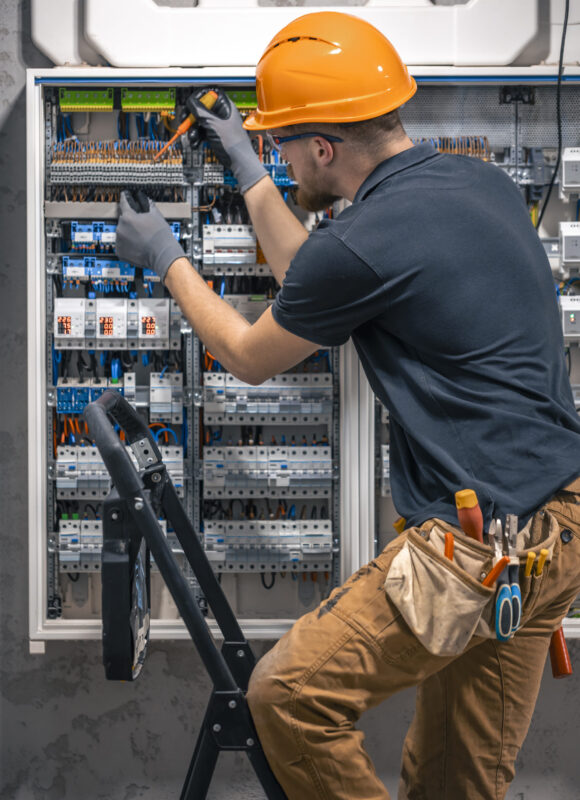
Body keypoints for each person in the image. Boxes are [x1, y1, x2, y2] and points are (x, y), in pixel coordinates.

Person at [116, 11, 580, 800]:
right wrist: (246, 164)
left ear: (324, 148)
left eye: (284, 141)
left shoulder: (362, 241)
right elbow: (320, 272)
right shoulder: (478, 182)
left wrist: (167, 260)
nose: (282, 152)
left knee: (287, 698)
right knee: (456, 785)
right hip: (560, 535)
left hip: (472, 552)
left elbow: (247, 355)